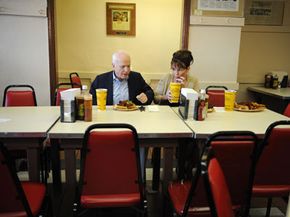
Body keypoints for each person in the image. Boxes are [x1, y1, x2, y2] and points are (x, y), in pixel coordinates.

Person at [151, 50, 200, 184]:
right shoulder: (167, 77)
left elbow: (196, 103)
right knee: (161, 141)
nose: (176, 73)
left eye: (180, 70)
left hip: (184, 119)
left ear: (188, 68)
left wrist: (185, 90)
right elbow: (155, 97)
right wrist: (165, 96)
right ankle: (160, 178)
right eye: (174, 69)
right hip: (165, 119)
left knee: (189, 143)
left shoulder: (193, 81)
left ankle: (184, 173)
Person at [89, 50, 154, 106]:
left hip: (132, 116)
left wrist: (146, 97)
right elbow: (91, 99)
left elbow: (150, 92)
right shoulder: (100, 80)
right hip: (108, 116)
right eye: (122, 66)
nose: (126, 70)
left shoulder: (136, 77)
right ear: (113, 66)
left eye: (128, 66)